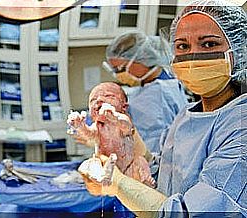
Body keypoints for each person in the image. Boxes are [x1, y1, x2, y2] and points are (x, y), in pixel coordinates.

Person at [82, 0, 247, 217]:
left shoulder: (240, 126)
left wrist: (117, 184)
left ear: (240, 50)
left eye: (208, 44)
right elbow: (166, 173)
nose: (193, 56)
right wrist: (132, 147)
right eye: (182, 46)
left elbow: (190, 213)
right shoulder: (185, 116)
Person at [103, 32, 188, 155]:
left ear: (142, 60)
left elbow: (152, 152)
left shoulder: (153, 96)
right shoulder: (167, 82)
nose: (117, 75)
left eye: (120, 69)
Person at [68, 82, 155, 187]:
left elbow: (126, 127)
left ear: (124, 107)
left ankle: (146, 179)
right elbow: (89, 134)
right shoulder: (98, 126)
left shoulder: (123, 120)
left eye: (108, 96)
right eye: (93, 100)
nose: (99, 99)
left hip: (129, 166)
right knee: (90, 164)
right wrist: (80, 126)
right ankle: (101, 177)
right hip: (106, 165)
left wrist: (115, 118)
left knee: (140, 161)